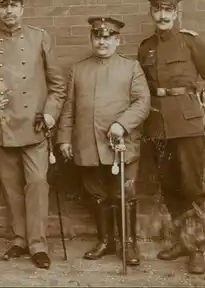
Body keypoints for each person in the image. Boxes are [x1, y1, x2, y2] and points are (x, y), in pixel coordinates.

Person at [0, 0, 66, 269]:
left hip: (34, 126)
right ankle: (19, 239)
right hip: (0, 124)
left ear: (22, 8)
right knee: (11, 187)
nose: (9, 10)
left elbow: (57, 85)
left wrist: (50, 113)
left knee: (37, 183)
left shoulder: (40, 38)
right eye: (4, 5)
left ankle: (38, 244)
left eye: (14, 4)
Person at [138, 0, 205, 274]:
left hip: (187, 126)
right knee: (169, 186)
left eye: (168, 11)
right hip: (157, 126)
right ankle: (182, 241)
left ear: (176, 13)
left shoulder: (191, 43)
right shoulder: (145, 48)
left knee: (191, 186)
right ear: (151, 13)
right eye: (157, 10)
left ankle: (197, 247)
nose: (162, 15)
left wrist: (198, 113)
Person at [57, 17, 151, 266]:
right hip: (87, 143)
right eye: (97, 37)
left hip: (121, 144)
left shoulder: (131, 68)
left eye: (107, 37)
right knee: (96, 194)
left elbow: (143, 103)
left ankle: (129, 245)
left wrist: (123, 124)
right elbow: (69, 108)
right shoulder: (79, 69)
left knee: (124, 194)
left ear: (117, 40)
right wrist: (64, 138)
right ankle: (106, 241)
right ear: (91, 39)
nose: (102, 41)